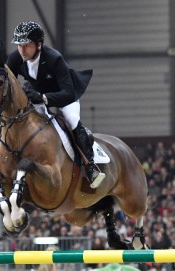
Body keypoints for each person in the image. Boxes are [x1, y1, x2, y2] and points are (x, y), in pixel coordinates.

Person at [6, 21, 105, 188]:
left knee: (72, 120)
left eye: (26, 45)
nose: (21, 49)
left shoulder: (54, 59)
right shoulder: (16, 58)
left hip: (65, 95)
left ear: (38, 45)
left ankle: (91, 167)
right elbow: (9, 84)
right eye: (19, 45)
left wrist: (43, 98)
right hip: (35, 97)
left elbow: (67, 92)